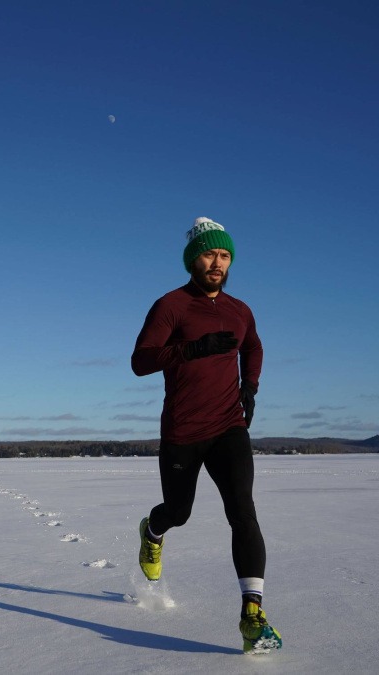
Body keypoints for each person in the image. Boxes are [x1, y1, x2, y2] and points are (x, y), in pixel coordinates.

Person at [130, 217, 282, 654]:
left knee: (243, 512)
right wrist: (191, 349)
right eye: (210, 254)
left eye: (225, 255)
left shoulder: (240, 310)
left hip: (228, 425)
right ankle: (153, 532)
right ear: (193, 259)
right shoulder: (171, 306)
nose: (218, 263)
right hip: (182, 430)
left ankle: (252, 613)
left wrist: (249, 386)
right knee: (178, 511)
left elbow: (252, 344)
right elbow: (141, 361)